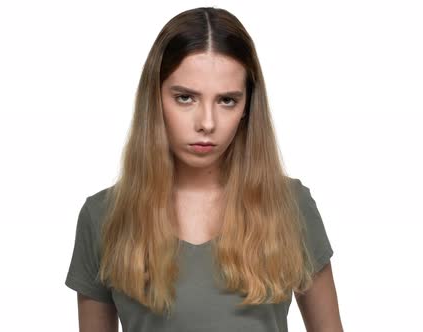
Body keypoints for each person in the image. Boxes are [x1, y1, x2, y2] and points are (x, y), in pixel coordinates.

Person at [65, 6, 343, 332]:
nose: (207, 123)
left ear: (246, 108)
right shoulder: (103, 217)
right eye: (185, 98)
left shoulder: (290, 205)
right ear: (154, 99)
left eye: (227, 100)